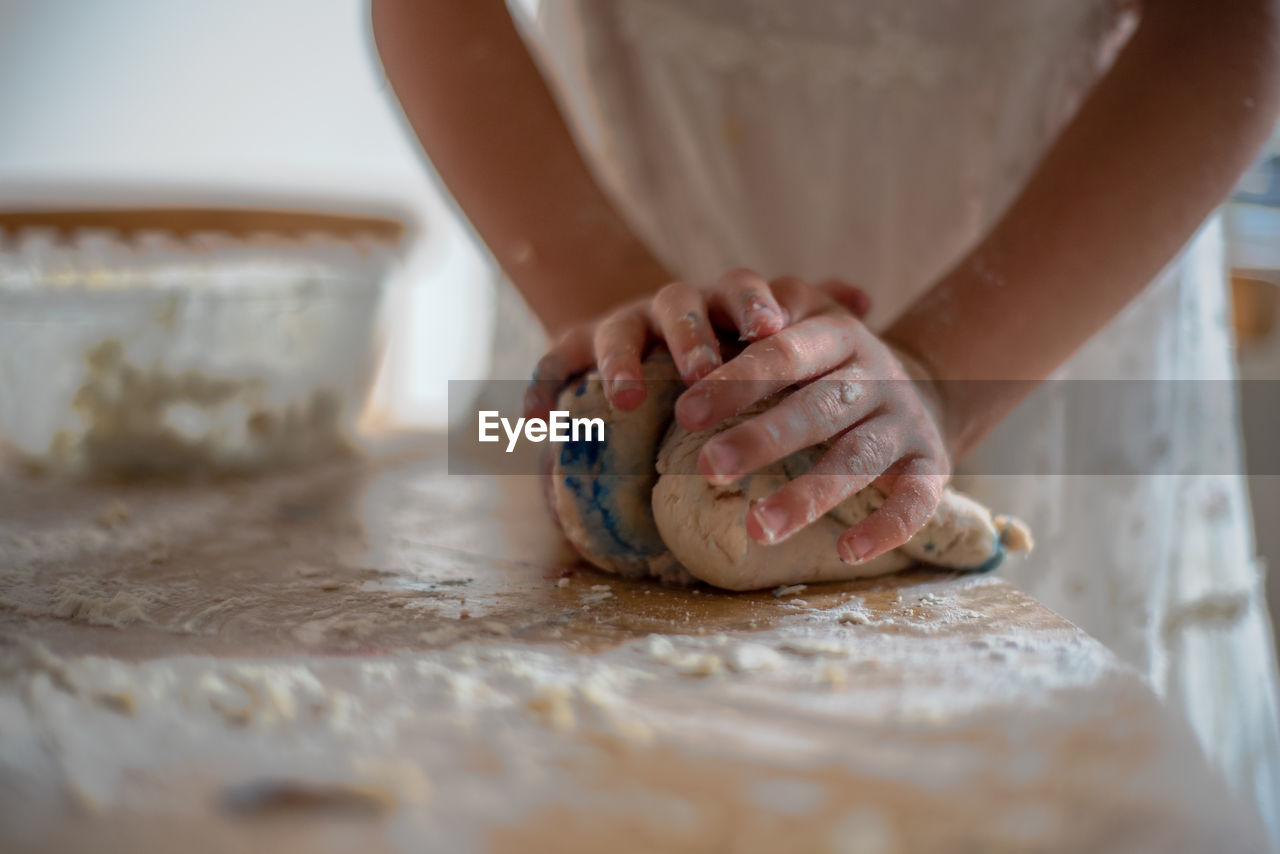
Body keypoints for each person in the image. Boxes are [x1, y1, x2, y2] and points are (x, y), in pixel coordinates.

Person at [372, 0, 1280, 837]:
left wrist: (943, 377)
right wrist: (622, 315)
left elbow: (1231, 23)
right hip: (587, 261)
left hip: (1045, 296)